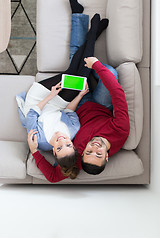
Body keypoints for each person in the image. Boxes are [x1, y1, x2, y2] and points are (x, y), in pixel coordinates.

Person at [18, 0, 109, 180]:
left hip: (39, 100)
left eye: (59, 147)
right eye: (67, 145)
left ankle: (93, 33)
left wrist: (50, 95)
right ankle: (92, 33)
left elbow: (31, 115)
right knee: (77, 77)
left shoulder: (41, 141)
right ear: (74, 146)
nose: (62, 140)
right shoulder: (73, 131)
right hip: (58, 102)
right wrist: (81, 95)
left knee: (78, 74)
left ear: (53, 150)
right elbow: (68, 110)